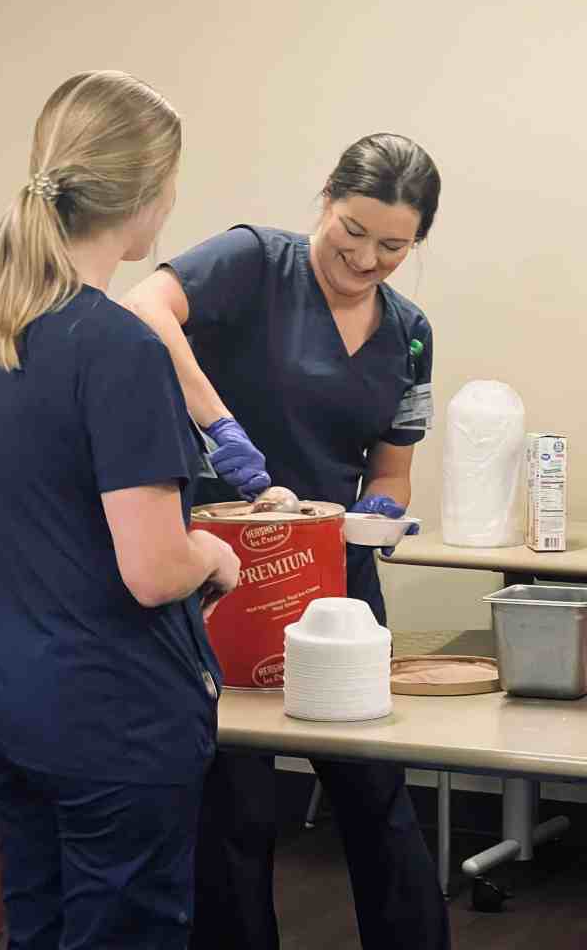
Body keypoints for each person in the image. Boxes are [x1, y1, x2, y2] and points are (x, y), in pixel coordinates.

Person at [123, 133, 450, 949]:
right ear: (326, 199)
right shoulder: (250, 264)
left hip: (336, 582)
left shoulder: (409, 332)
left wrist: (381, 507)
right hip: (225, 573)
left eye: (393, 246)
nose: (367, 257)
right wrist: (219, 426)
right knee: (234, 802)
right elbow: (141, 310)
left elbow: (393, 467)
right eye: (353, 229)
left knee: (375, 792)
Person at [0, 70, 241, 950]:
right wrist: (213, 555)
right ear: (148, 196)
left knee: (36, 928)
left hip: (6, 699)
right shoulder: (120, 347)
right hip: (110, 722)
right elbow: (152, 571)